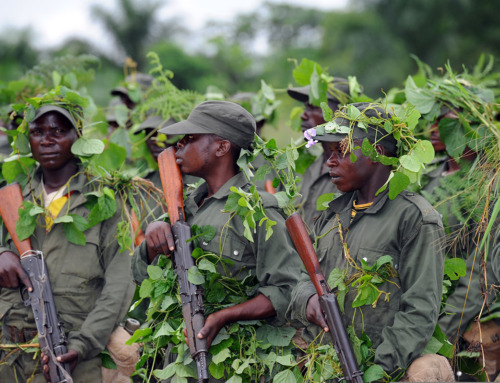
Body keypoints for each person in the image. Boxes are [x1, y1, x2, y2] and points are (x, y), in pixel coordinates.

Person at [131, 100, 302, 377]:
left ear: (222, 147)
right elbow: (141, 276)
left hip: (241, 362)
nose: (179, 147)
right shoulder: (185, 206)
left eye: (190, 139)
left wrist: (224, 316)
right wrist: (152, 242)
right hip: (181, 359)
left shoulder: (258, 210)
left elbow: (285, 291)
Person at [287, 102, 453, 381]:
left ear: (375, 152)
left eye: (341, 150)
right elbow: (299, 278)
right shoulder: (330, 217)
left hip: (382, 366)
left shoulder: (414, 218)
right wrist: (308, 300)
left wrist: (376, 372)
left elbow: (419, 312)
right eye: (329, 153)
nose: (330, 161)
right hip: (326, 361)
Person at [0, 103, 135, 383]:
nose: (47, 140)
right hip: (12, 353)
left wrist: (83, 344)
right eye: (37, 131)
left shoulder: (105, 201)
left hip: (76, 354)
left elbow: (120, 284)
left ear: (79, 136)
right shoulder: (14, 198)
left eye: (59, 130)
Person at [287, 78, 350, 228]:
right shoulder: (308, 166)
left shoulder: (352, 171)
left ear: (338, 113)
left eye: (313, 107)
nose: (303, 115)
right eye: (305, 108)